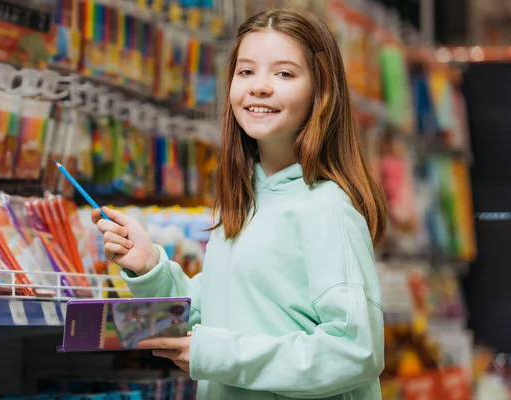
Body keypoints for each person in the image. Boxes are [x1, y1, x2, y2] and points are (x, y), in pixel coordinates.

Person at [92, 7, 387, 400]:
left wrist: (218, 354)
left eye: (283, 73)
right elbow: (221, 315)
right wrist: (150, 267)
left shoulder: (326, 207)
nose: (259, 87)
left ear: (322, 91)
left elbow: (354, 350)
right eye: (246, 71)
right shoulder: (247, 199)